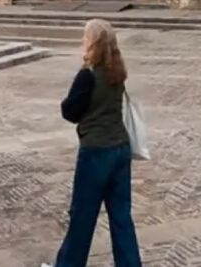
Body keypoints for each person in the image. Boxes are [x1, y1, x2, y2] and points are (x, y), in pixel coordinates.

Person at [42, 19, 141, 267]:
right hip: (121, 147)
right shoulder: (117, 73)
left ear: (92, 42)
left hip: (96, 152)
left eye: (86, 37)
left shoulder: (87, 76)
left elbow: (70, 111)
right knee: (121, 217)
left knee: (83, 216)